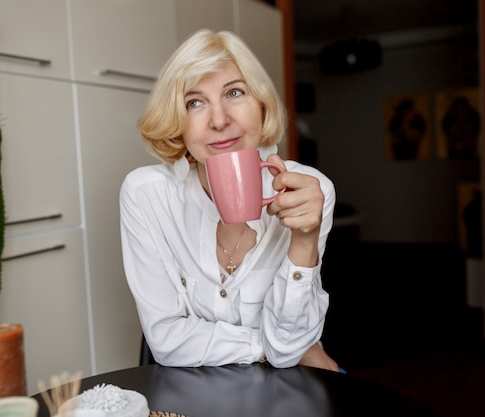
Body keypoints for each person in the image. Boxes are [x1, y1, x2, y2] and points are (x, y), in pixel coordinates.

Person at [119, 29, 339, 371]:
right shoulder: (145, 195)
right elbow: (165, 340)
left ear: (262, 107)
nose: (219, 120)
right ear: (178, 123)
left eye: (234, 92)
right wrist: (269, 348)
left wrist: (305, 239)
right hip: (196, 387)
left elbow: (290, 340)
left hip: (286, 388)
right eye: (194, 102)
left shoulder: (308, 191)